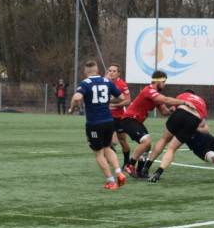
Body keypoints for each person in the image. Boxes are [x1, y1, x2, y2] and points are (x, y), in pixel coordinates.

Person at [68, 60, 128, 189]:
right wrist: (108, 99)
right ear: (98, 71)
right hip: (109, 121)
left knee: (99, 153)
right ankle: (119, 172)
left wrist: (72, 109)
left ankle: (112, 182)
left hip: (94, 123)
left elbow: (77, 97)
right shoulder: (107, 82)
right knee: (107, 147)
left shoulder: (85, 83)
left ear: (85, 72)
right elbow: (122, 98)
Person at [123, 71, 186, 177]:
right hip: (129, 120)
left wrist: (171, 111)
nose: (164, 84)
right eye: (163, 81)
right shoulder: (149, 90)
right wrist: (183, 102)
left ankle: (139, 171)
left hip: (136, 121)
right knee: (146, 141)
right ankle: (130, 165)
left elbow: (164, 112)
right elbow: (166, 99)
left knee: (147, 146)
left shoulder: (157, 96)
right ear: (157, 81)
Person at [144, 90, 208, 182]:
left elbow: (173, 109)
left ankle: (146, 167)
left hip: (181, 112)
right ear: (194, 95)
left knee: (164, 140)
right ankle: (158, 173)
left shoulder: (182, 95)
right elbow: (203, 123)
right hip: (194, 119)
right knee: (171, 149)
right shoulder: (201, 101)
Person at [106, 64, 133, 169]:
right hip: (106, 116)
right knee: (105, 139)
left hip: (118, 117)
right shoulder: (105, 82)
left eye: (114, 71)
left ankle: (126, 163)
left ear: (118, 73)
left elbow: (127, 101)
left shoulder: (122, 84)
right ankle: (110, 150)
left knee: (122, 140)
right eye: (110, 70)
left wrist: (113, 104)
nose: (111, 72)